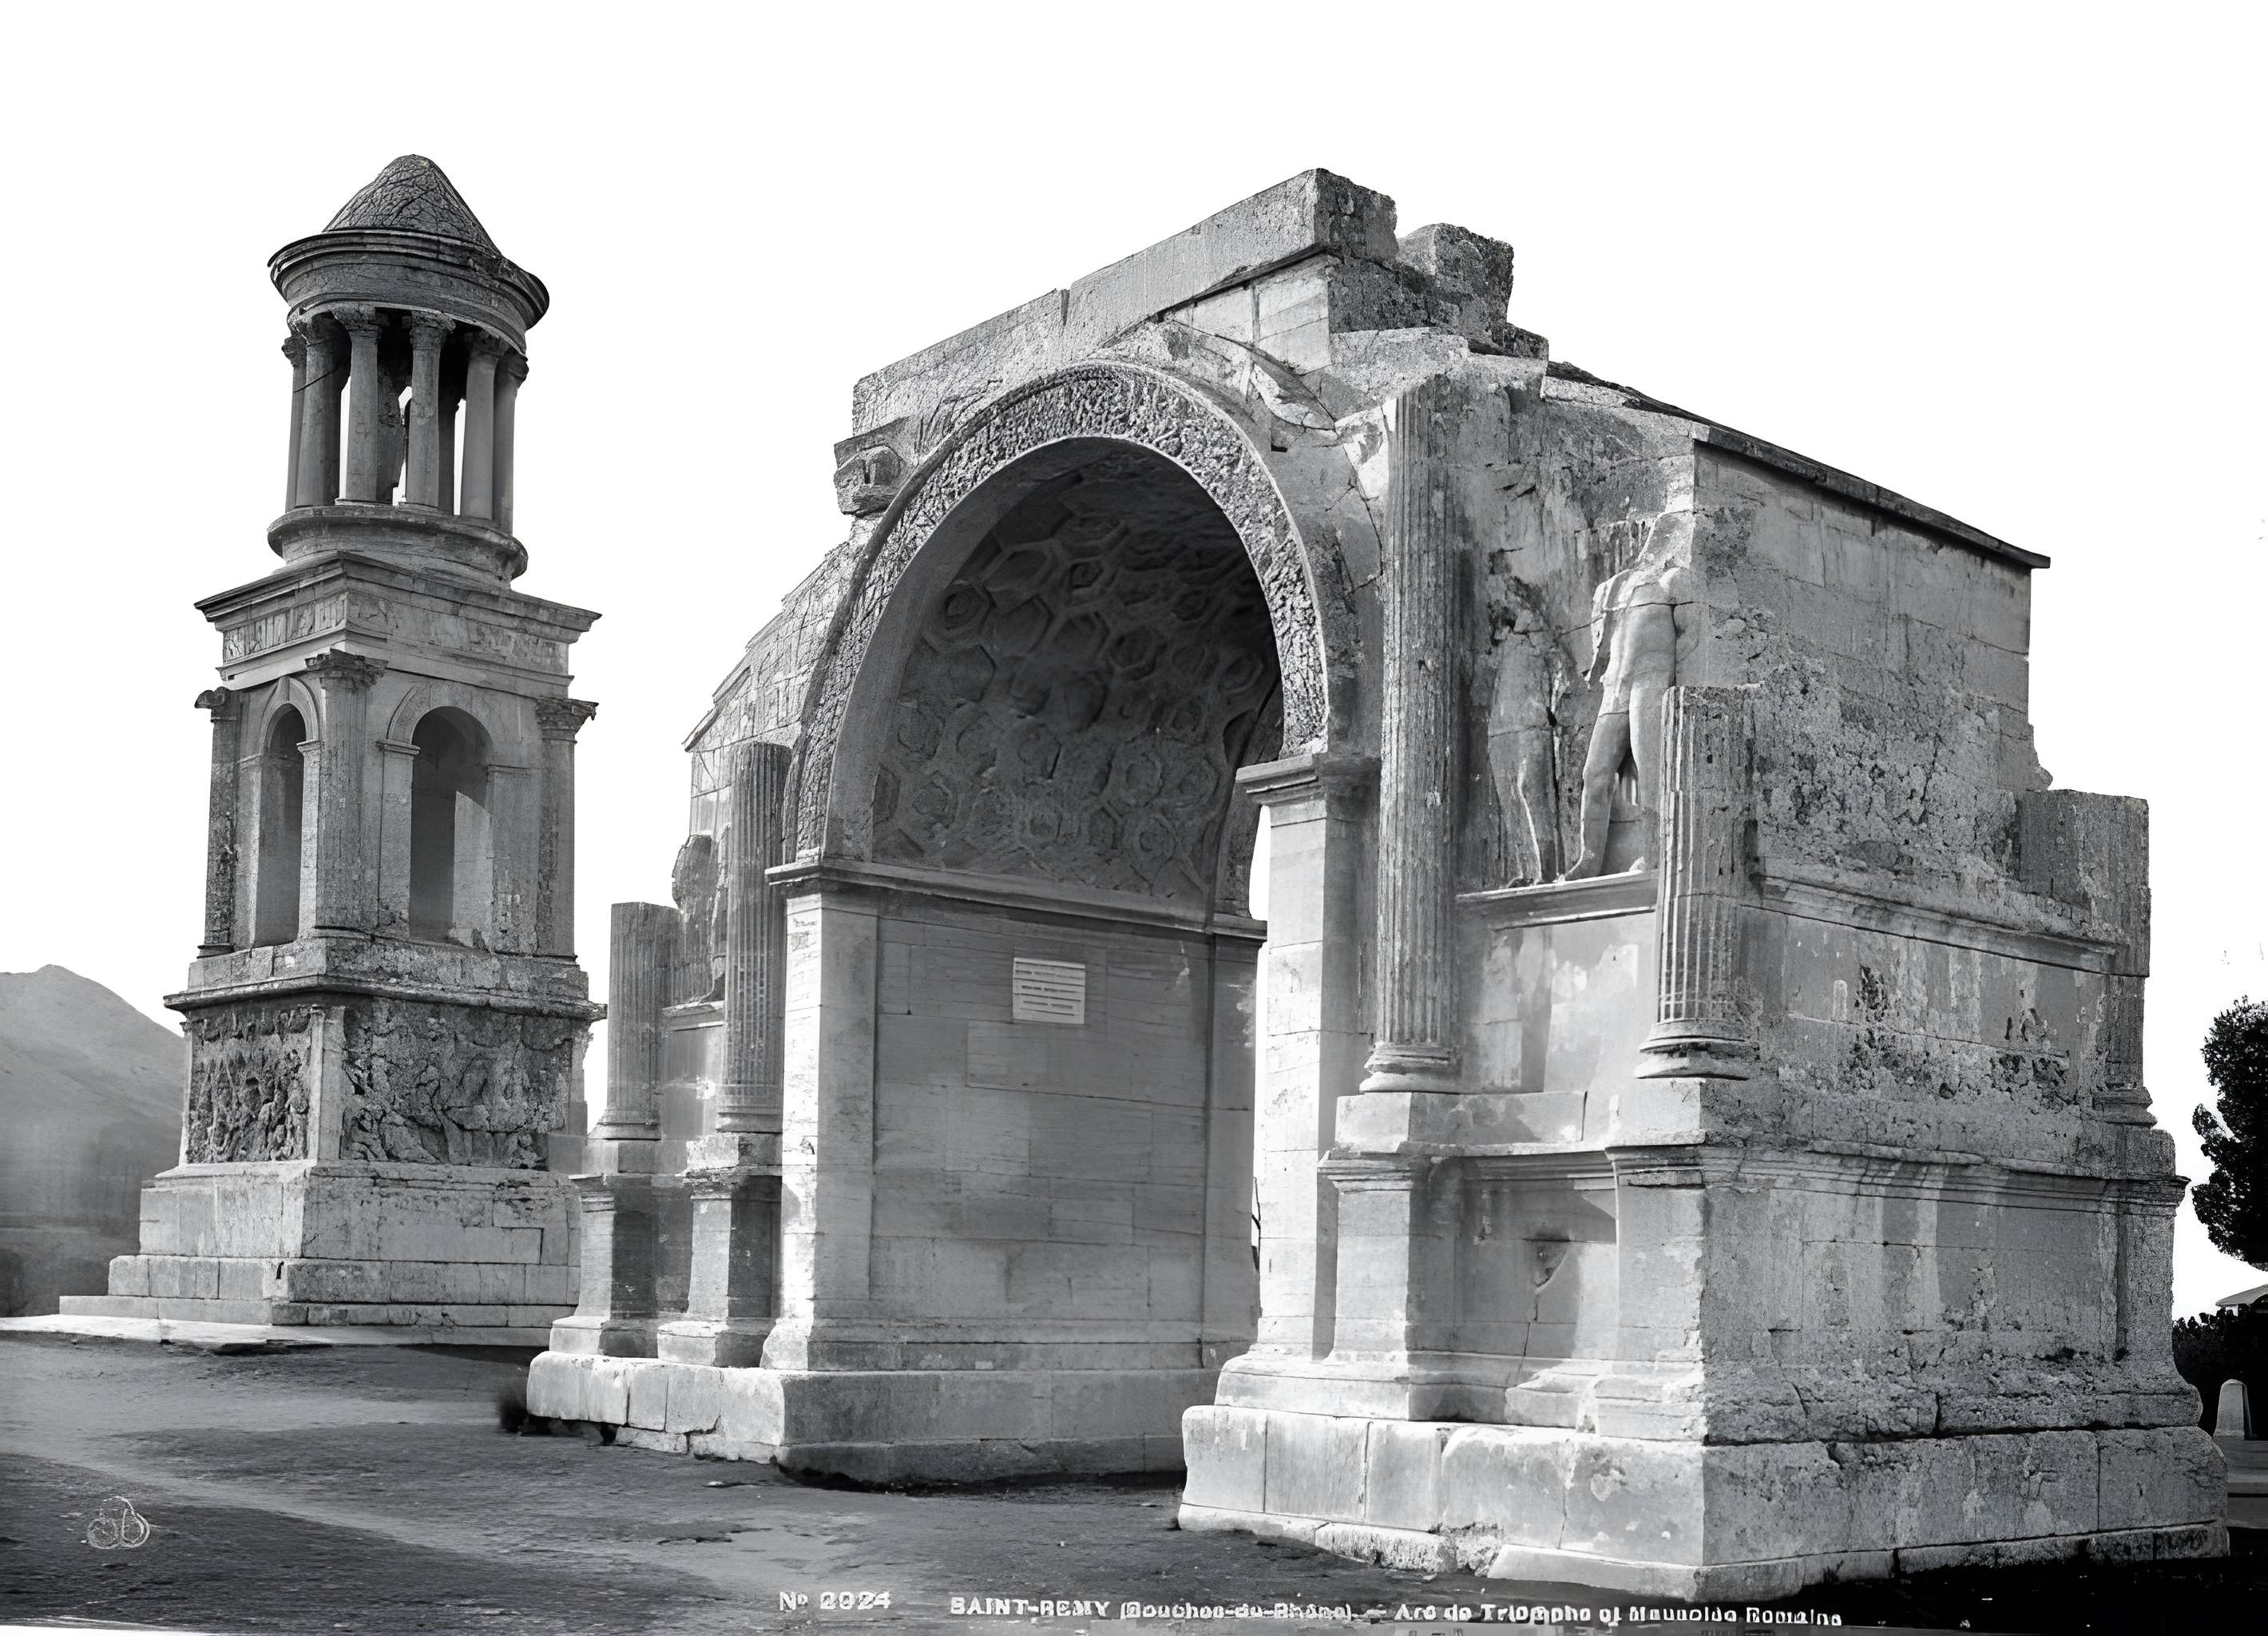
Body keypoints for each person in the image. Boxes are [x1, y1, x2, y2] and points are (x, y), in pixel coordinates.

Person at [1562, 530, 1690, 880]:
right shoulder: (1609, 589)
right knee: (1595, 774)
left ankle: (1652, 852)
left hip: (1649, 675)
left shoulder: (1664, 582)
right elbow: (1599, 649)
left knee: (1650, 768)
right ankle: (1589, 859)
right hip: (1615, 685)